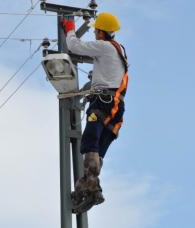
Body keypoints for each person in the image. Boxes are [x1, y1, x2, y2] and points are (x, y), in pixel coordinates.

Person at [61, 12, 129, 212]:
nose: (95, 34)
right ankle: (86, 186)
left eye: (96, 31)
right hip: (117, 108)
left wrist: (70, 29)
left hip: (103, 103)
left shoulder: (104, 47)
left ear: (100, 32)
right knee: (97, 150)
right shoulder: (119, 50)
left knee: (89, 142)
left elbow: (74, 46)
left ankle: (91, 187)